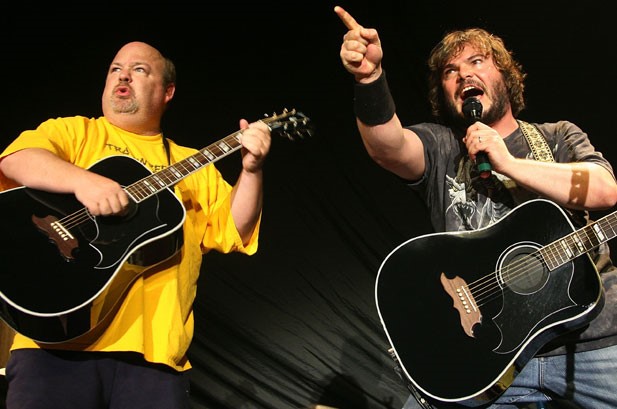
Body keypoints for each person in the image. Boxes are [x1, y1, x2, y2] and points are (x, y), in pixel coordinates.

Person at [335, 5, 617, 409]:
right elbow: (387, 146)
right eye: (451, 70)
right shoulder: (442, 147)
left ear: (504, 75)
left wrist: (511, 164)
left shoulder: (557, 137)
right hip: (480, 358)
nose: (464, 73)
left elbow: (605, 190)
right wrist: (368, 78)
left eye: (477, 61)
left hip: (591, 339)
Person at [0, 41, 271, 408]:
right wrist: (84, 181)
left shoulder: (191, 163)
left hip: (154, 360)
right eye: (115, 68)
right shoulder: (75, 132)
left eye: (140, 69)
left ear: (167, 91)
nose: (123, 75)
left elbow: (235, 229)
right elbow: (16, 160)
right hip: (54, 347)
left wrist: (251, 171)